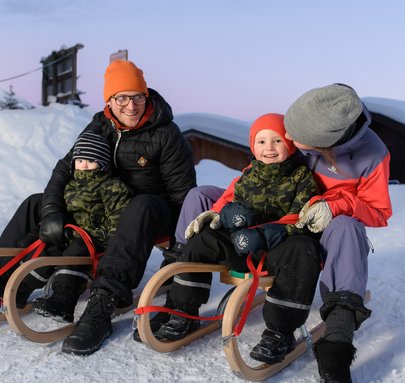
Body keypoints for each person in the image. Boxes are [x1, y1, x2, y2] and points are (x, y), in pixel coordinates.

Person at [168, 84, 392, 382]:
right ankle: (176, 291)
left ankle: (337, 340)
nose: (289, 141)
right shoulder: (309, 117)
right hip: (275, 207)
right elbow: (256, 176)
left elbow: (378, 211)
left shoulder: (373, 155)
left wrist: (335, 206)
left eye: (297, 140)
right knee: (202, 195)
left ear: (325, 142)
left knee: (346, 228)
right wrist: (221, 209)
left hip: (315, 228)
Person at [0, 60, 196, 356]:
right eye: (122, 98)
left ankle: (101, 308)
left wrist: (180, 248)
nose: (131, 106)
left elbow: (184, 195)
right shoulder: (100, 124)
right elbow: (66, 168)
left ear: (147, 96)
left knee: (141, 204)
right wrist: (53, 210)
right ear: (109, 101)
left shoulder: (166, 134)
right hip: (102, 204)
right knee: (35, 203)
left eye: (138, 97)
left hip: (152, 212)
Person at [156, 113, 322, 365]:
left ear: (289, 144)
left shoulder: (302, 178)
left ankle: (280, 332)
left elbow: (300, 217)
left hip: (279, 249)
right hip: (243, 246)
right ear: (253, 146)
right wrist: (224, 216)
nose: (269, 148)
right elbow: (231, 204)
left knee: (303, 247)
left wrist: (267, 233)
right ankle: (184, 311)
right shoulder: (247, 176)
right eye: (262, 142)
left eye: (277, 141)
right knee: (204, 239)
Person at [31, 131, 132, 323]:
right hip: (73, 234)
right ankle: (20, 288)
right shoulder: (70, 186)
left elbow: (118, 220)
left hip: (95, 240)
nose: (84, 165)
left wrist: (108, 241)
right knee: (45, 242)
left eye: (91, 160)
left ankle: (64, 301)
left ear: (102, 163)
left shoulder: (112, 187)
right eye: (80, 160)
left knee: (76, 251)